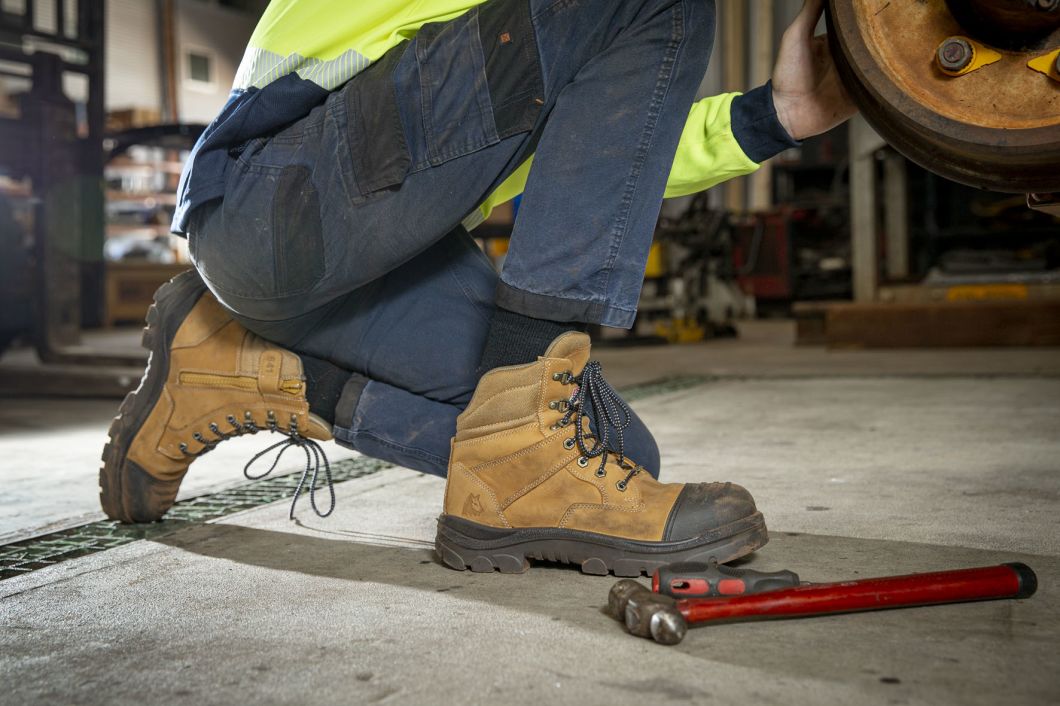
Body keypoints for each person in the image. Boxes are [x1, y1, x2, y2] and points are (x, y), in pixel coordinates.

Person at [99, 0, 856, 574]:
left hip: (371, 249)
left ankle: (255, 371)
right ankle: (524, 440)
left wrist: (773, 117)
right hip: (274, 201)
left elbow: (612, 141)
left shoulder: (530, 49)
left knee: (616, 455)